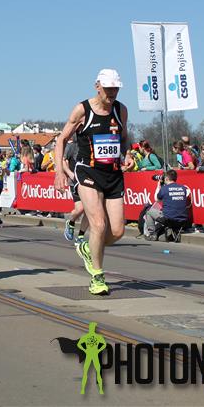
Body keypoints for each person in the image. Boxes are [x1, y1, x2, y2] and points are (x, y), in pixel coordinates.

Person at [54, 69, 128, 296]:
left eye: (115, 89)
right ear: (98, 87)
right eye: (108, 89)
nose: (112, 93)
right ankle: (97, 276)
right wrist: (59, 171)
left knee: (118, 231)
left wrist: (127, 154)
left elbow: (123, 137)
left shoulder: (121, 110)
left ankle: (88, 246)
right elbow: (61, 139)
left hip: (113, 174)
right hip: (88, 172)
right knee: (98, 225)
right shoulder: (82, 110)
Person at [144, 170, 191, 241]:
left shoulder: (165, 189)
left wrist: (158, 186)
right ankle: (166, 233)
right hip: (182, 220)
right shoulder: (183, 188)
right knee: (161, 237)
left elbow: (157, 199)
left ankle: (152, 234)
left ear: (166, 178)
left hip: (169, 219)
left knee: (149, 212)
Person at [62, 138, 90, 246]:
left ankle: (81, 237)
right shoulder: (72, 146)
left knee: (89, 210)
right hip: (75, 182)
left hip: (89, 181)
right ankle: (71, 222)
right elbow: (63, 161)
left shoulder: (91, 145)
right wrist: (70, 174)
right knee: (80, 208)